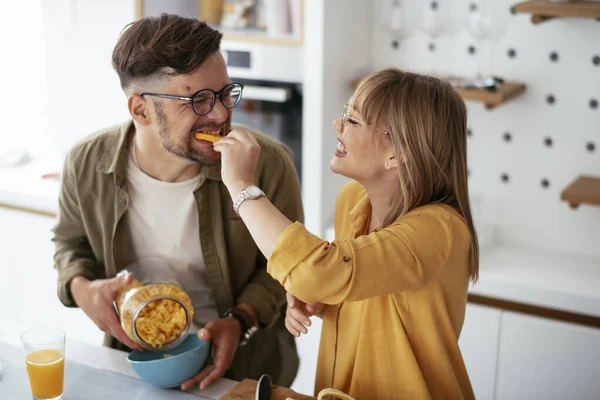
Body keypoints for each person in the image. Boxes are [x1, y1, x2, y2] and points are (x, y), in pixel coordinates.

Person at [51, 14, 302, 392]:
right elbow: (70, 245)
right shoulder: (85, 164)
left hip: (246, 370)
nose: (220, 114)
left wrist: (240, 319)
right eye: (198, 100)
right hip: (137, 362)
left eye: (224, 93)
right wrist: (81, 288)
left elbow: (286, 267)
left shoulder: (267, 162)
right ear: (141, 110)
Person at [213, 68, 479, 399]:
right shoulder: (352, 201)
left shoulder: (439, 229)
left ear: (397, 153)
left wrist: (241, 186)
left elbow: (320, 270)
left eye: (353, 121)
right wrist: (321, 298)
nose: (338, 126)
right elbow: (348, 283)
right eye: (345, 116)